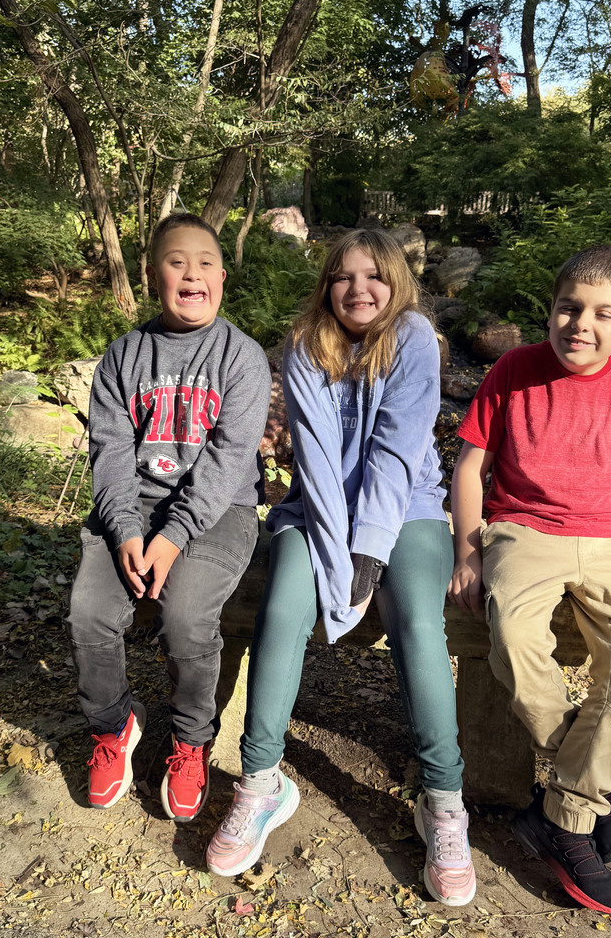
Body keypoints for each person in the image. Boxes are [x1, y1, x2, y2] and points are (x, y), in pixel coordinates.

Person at [206, 228, 476, 908]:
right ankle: (261, 785)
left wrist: (369, 556)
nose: (358, 289)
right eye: (343, 277)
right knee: (280, 613)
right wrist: (339, 558)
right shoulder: (305, 345)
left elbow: (396, 452)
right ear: (327, 286)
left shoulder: (414, 338)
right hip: (313, 512)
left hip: (408, 511)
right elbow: (321, 465)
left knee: (417, 620)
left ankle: (444, 802)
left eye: (372, 276)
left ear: (396, 283)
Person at [447, 245, 611, 916]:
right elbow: (471, 469)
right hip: (524, 533)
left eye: (601, 314)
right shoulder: (513, 370)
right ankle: (582, 795)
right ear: (551, 310)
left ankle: (563, 813)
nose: (580, 324)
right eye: (569, 307)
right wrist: (468, 553)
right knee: (513, 636)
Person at [67, 212, 271, 823]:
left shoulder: (241, 357)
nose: (192, 273)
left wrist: (173, 538)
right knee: (90, 612)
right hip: (133, 508)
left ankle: (190, 739)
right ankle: (114, 724)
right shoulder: (124, 356)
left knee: (185, 615)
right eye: (177, 261)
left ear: (223, 277)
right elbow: (108, 455)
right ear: (154, 274)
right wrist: (127, 531)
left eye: (205, 262)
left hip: (219, 512)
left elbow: (227, 462)